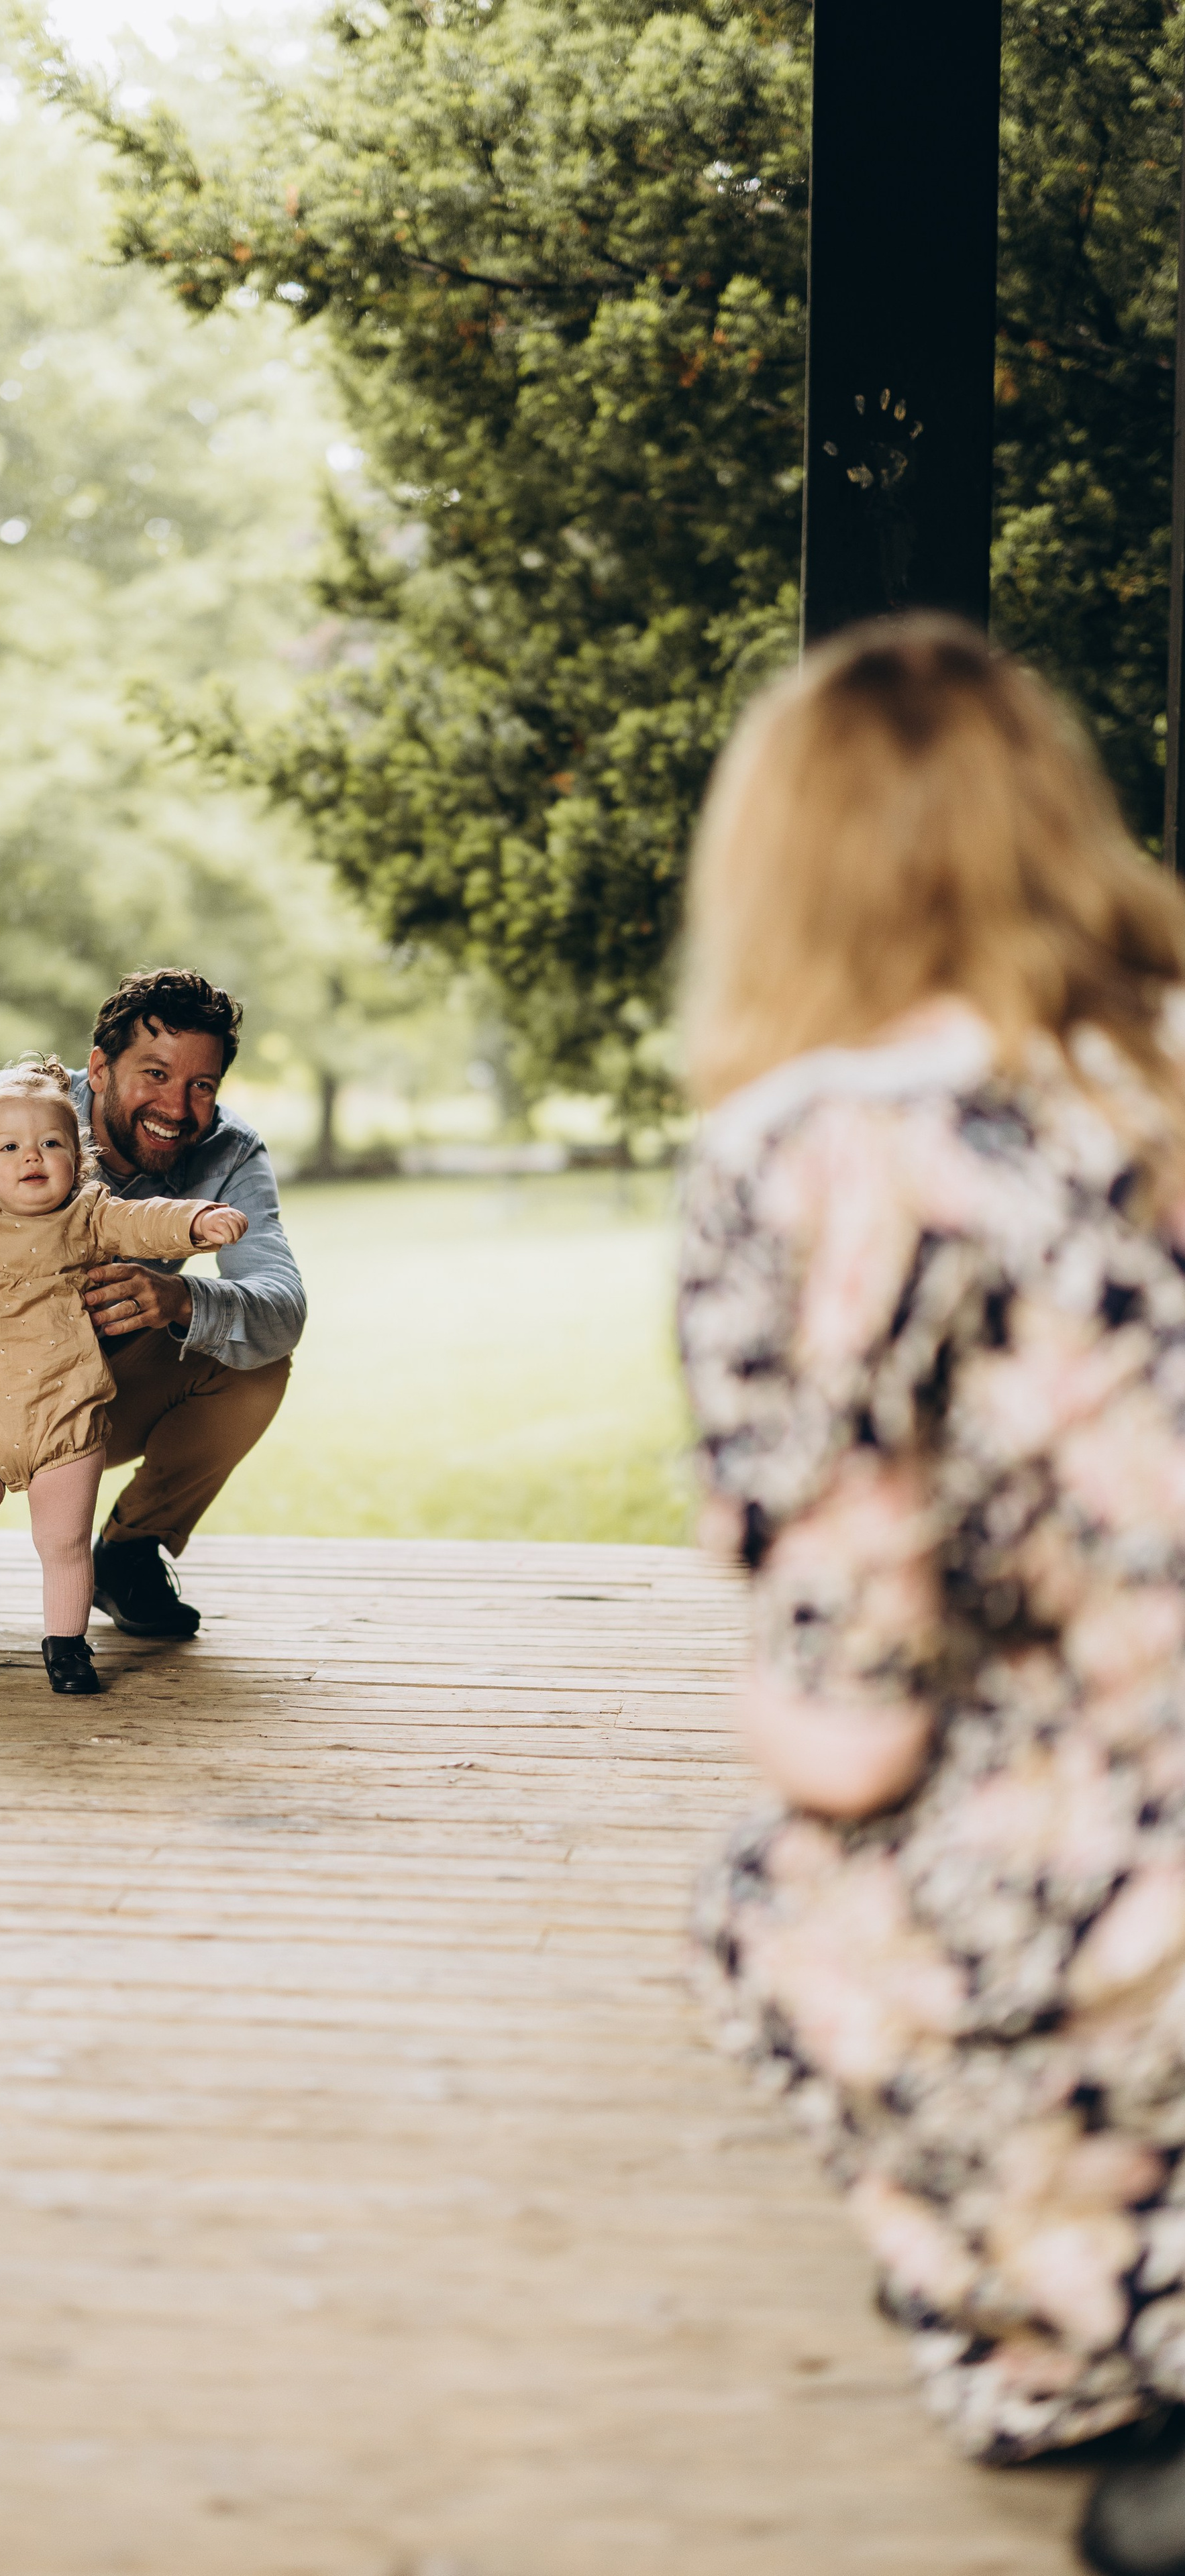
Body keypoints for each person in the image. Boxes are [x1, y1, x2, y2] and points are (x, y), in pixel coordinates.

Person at [675, 615, 1185, 2575]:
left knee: (786, 1913)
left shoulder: (810, 1155)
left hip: (1130, 1804)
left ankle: (1094, 2354)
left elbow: (853, 1689)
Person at [0, 969, 304, 1645]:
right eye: (155, 1075)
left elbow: (280, 1305)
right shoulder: (2, 1117)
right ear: (98, 1068)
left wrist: (180, 1297)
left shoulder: (229, 1151)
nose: (179, 1106)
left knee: (257, 1365)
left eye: (202, 1085)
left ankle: (131, 1553)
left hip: (95, 1395)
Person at [0, 1055, 248, 1696]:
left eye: (52, 1143)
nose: (33, 1157)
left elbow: (145, 1218)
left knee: (64, 1545)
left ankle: (66, 1644)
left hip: (66, 1418)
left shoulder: (90, 1215)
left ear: (79, 1160)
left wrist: (195, 1221)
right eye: (11, 1147)